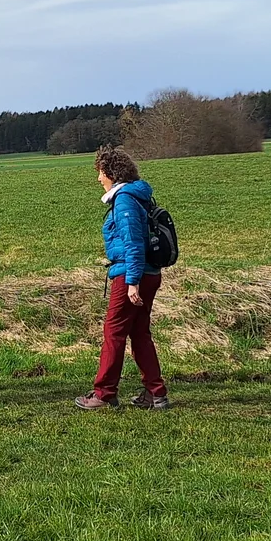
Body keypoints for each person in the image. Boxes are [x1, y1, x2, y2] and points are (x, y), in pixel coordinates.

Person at [76, 147, 170, 410]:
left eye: (100, 172)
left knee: (114, 332)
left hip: (131, 274)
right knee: (140, 333)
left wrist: (132, 282)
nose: (98, 179)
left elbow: (133, 243)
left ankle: (104, 393)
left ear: (112, 173)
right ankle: (156, 393)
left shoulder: (125, 200)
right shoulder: (139, 195)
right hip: (149, 273)